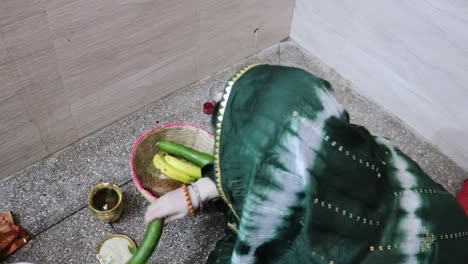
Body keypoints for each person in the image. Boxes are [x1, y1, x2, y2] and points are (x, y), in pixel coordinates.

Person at [145, 64, 468, 263]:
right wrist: (198, 191)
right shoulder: (347, 140)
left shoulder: (316, 255)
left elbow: (262, 242)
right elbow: (287, 157)